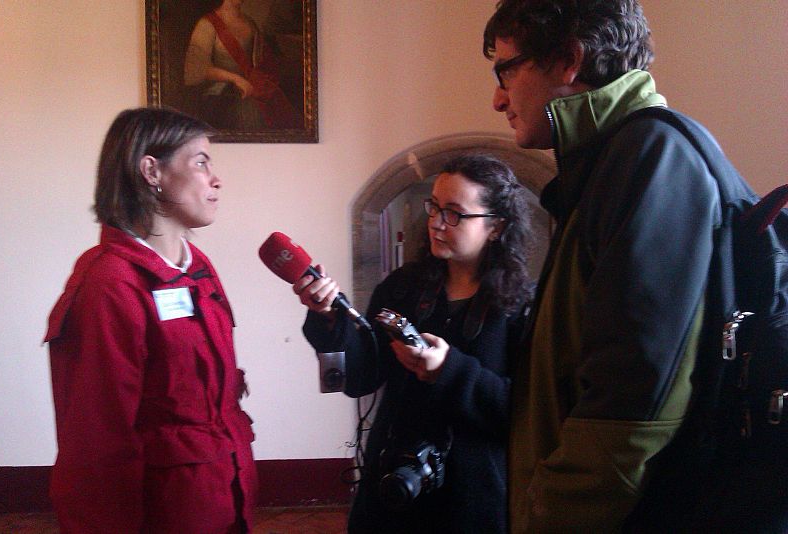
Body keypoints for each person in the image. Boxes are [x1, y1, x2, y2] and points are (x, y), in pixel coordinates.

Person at [483, 1, 756, 531]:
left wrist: (546, 515)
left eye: (506, 71)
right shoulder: (613, 159)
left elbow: (630, 410)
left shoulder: (650, 156)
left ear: (569, 59)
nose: (498, 99)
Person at [44, 107, 258, 533]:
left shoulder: (198, 268)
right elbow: (96, 444)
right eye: (200, 162)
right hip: (164, 513)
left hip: (223, 497)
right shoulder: (109, 284)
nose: (215, 179)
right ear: (151, 171)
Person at [294, 154, 534, 533]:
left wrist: (448, 371)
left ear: (496, 226)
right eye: (434, 207)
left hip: (474, 504)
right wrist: (329, 320)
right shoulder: (403, 287)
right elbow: (359, 379)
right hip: (394, 491)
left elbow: (527, 415)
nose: (436, 222)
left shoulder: (523, 306)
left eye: (454, 213)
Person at [184, 0, 302, 130]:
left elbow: (261, 62)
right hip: (220, 94)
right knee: (249, 109)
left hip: (251, 88)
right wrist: (236, 79)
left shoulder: (250, 24)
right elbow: (195, 70)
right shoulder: (206, 24)